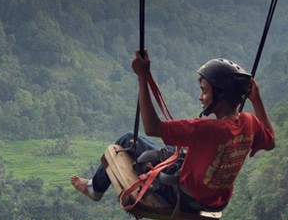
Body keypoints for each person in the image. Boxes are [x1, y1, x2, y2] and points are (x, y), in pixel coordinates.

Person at [70, 49, 275, 211]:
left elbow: (152, 127)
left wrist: (142, 77)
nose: (200, 97)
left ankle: (94, 189)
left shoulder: (207, 129)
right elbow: (270, 140)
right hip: (214, 199)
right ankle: (95, 187)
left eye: (204, 91)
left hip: (182, 196)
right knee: (174, 148)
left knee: (126, 141)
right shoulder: (250, 123)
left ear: (220, 95)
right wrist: (256, 100)